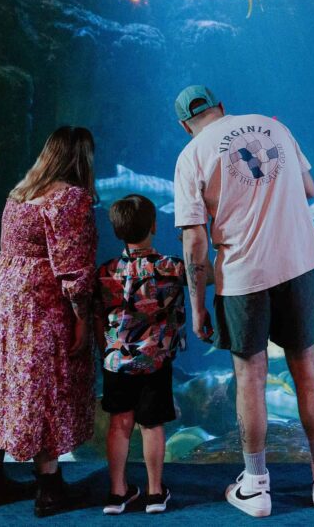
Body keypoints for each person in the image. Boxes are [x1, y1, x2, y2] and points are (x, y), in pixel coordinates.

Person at [173, 85, 314, 519]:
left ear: (184, 126)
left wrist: (197, 303)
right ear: (222, 107)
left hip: (243, 275)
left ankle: (255, 486)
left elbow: (194, 239)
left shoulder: (191, 155)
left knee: (250, 377)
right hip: (298, 260)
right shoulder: (274, 126)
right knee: (307, 369)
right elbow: (308, 189)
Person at [0, 126, 98, 518]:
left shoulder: (20, 191)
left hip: (1, 293)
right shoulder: (69, 198)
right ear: (81, 158)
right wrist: (82, 317)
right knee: (44, 382)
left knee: (0, 378)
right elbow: (73, 267)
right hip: (39, 299)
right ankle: (50, 487)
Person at [94, 194, 186, 515]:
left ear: (117, 231)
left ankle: (117, 493)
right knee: (152, 425)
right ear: (154, 225)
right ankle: (155, 493)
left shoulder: (104, 272)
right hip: (155, 361)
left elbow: (96, 315)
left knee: (119, 424)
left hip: (116, 361)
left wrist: (104, 348)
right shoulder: (171, 267)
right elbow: (210, 276)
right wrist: (193, 242)